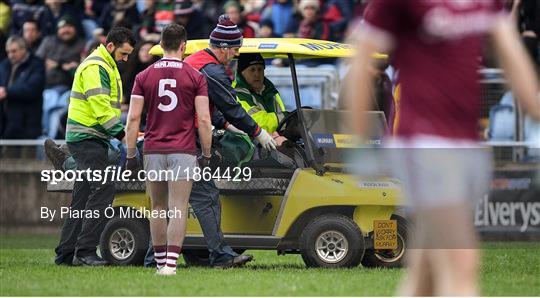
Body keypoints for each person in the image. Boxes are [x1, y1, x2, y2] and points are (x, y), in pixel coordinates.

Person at [347, 0, 540, 295]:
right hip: (424, 143)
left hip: (466, 145)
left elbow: (511, 56)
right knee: (462, 261)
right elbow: (360, 66)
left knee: (425, 272)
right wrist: (361, 145)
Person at [144, 14, 276, 269]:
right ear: (224, 48)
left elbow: (209, 110)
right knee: (205, 197)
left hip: (159, 140)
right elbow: (231, 107)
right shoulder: (212, 70)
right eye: (235, 48)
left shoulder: (193, 62)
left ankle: (154, 259)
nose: (236, 54)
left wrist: (226, 126)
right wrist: (258, 132)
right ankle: (221, 256)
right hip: (184, 143)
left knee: (165, 204)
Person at [125, 23, 212, 276]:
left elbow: (132, 119)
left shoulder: (143, 76)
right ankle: (171, 265)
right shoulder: (196, 77)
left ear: (161, 45)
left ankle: (159, 261)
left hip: (152, 149)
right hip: (183, 149)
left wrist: (131, 154)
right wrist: (206, 154)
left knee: (158, 207)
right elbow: (204, 120)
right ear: (183, 46)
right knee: (178, 207)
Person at [52, 27, 135, 266]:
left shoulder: (104, 65)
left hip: (89, 138)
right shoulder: (96, 66)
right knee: (104, 189)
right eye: (124, 53)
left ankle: (66, 253)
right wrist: (122, 136)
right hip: (87, 138)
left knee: (82, 198)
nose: (125, 59)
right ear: (110, 47)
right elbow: (101, 108)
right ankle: (86, 251)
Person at [36, 15, 85, 138]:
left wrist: (58, 65)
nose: (66, 30)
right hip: (48, 87)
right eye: (62, 27)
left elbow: (82, 70)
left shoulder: (82, 44)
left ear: (75, 28)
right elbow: (37, 62)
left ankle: (53, 141)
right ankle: (46, 138)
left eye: (69, 27)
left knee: (59, 111)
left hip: (71, 89)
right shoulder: (48, 41)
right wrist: (65, 65)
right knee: (49, 102)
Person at [235, 53, 288, 146]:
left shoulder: (271, 92)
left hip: (274, 141)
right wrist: (287, 117)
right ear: (241, 73)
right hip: (251, 147)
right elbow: (257, 123)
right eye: (252, 70)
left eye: (260, 69)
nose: (257, 74)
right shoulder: (237, 95)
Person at [0, 36, 45, 139]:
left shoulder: (36, 65)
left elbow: (32, 89)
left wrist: (7, 92)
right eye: (8, 52)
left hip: (28, 126)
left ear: (23, 49)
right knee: (7, 155)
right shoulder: (4, 65)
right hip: (6, 126)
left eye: (14, 51)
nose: (10, 55)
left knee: (28, 155)